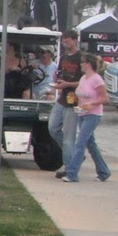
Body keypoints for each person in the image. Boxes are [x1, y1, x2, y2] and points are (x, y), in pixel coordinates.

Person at [59, 52, 111, 184]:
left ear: (88, 64)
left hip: (93, 115)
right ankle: (104, 171)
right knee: (91, 144)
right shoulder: (83, 78)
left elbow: (105, 99)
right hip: (82, 113)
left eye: (82, 62)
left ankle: (72, 173)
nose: (80, 64)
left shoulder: (97, 80)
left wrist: (92, 103)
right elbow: (81, 94)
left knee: (80, 142)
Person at [48, 30, 83, 162]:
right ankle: (74, 155)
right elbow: (60, 73)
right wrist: (57, 79)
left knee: (69, 136)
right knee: (53, 128)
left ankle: (70, 166)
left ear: (74, 40)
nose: (64, 43)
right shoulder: (63, 57)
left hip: (74, 100)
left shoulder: (81, 58)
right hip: (62, 98)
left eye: (67, 41)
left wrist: (68, 84)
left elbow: (85, 82)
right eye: (63, 41)